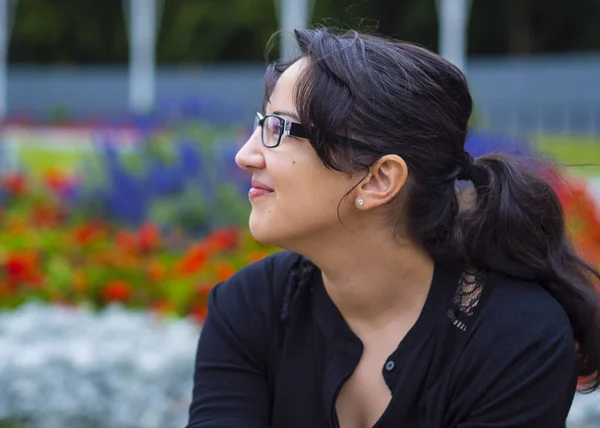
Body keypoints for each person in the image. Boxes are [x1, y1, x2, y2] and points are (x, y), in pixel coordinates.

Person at [186, 27, 600, 428]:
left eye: (279, 129)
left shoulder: (515, 338)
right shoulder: (249, 307)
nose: (245, 155)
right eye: (262, 123)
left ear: (380, 179)